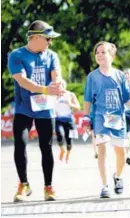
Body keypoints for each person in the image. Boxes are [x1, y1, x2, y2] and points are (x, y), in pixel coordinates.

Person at [7, 20, 64, 202]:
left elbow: (56, 75)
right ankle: (23, 184)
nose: (50, 42)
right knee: (20, 145)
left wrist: (58, 84)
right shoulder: (16, 55)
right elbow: (22, 81)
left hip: (45, 109)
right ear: (36, 37)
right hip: (24, 109)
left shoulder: (51, 55)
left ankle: (49, 187)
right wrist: (46, 89)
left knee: (46, 147)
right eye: (48, 39)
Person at [82, 41, 130, 198]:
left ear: (111, 55)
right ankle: (105, 185)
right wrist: (86, 116)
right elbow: (87, 99)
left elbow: (127, 97)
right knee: (102, 150)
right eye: (97, 52)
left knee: (120, 152)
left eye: (103, 52)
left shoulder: (120, 76)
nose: (99, 55)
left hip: (118, 119)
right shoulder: (92, 77)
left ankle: (118, 177)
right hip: (100, 117)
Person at [55, 80, 80, 163]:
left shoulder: (70, 95)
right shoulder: (53, 96)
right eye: (57, 86)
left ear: (64, 86)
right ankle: (62, 149)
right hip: (57, 119)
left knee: (69, 140)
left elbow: (77, 108)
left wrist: (70, 103)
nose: (58, 87)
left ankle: (68, 154)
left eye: (60, 85)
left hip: (69, 120)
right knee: (59, 134)